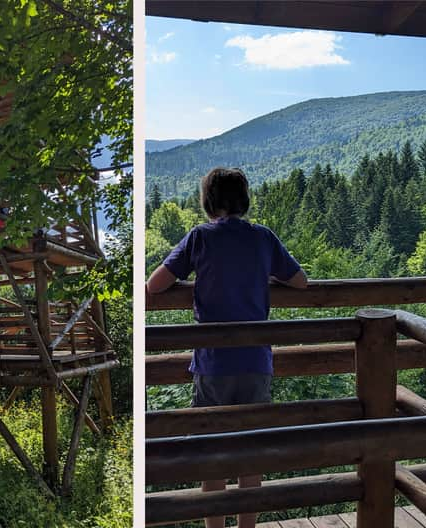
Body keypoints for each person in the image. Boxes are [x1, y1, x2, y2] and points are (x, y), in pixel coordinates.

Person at [147, 167, 307, 528]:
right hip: (256, 362)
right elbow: (300, 281)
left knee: (211, 454)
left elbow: (155, 285)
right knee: (250, 455)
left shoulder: (200, 238)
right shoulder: (263, 238)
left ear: (208, 202)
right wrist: (262, 276)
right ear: (244, 200)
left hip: (213, 364)